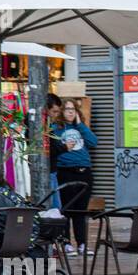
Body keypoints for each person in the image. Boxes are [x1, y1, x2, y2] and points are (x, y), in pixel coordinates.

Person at [51, 97, 97, 255]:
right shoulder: (56, 128)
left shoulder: (80, 127)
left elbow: (93, 142)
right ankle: (67, 243)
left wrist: (80, 124)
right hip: (65, 172)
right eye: (67, 109)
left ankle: (82, 244)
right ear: (61, 111)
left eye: (73, 109)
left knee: (81, 211)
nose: (70, 112)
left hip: (85, 172)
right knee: (66, 209)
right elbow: (52, 147)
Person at [44, 93, 63, 207]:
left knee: (56, 206)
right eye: (54, 112)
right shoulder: (44, 126)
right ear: (46, 109)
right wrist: (64, 147)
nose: (56, 115)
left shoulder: (49, 125)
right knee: (55, 207)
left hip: (52, 170)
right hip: (49, 171)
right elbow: (51, 148)